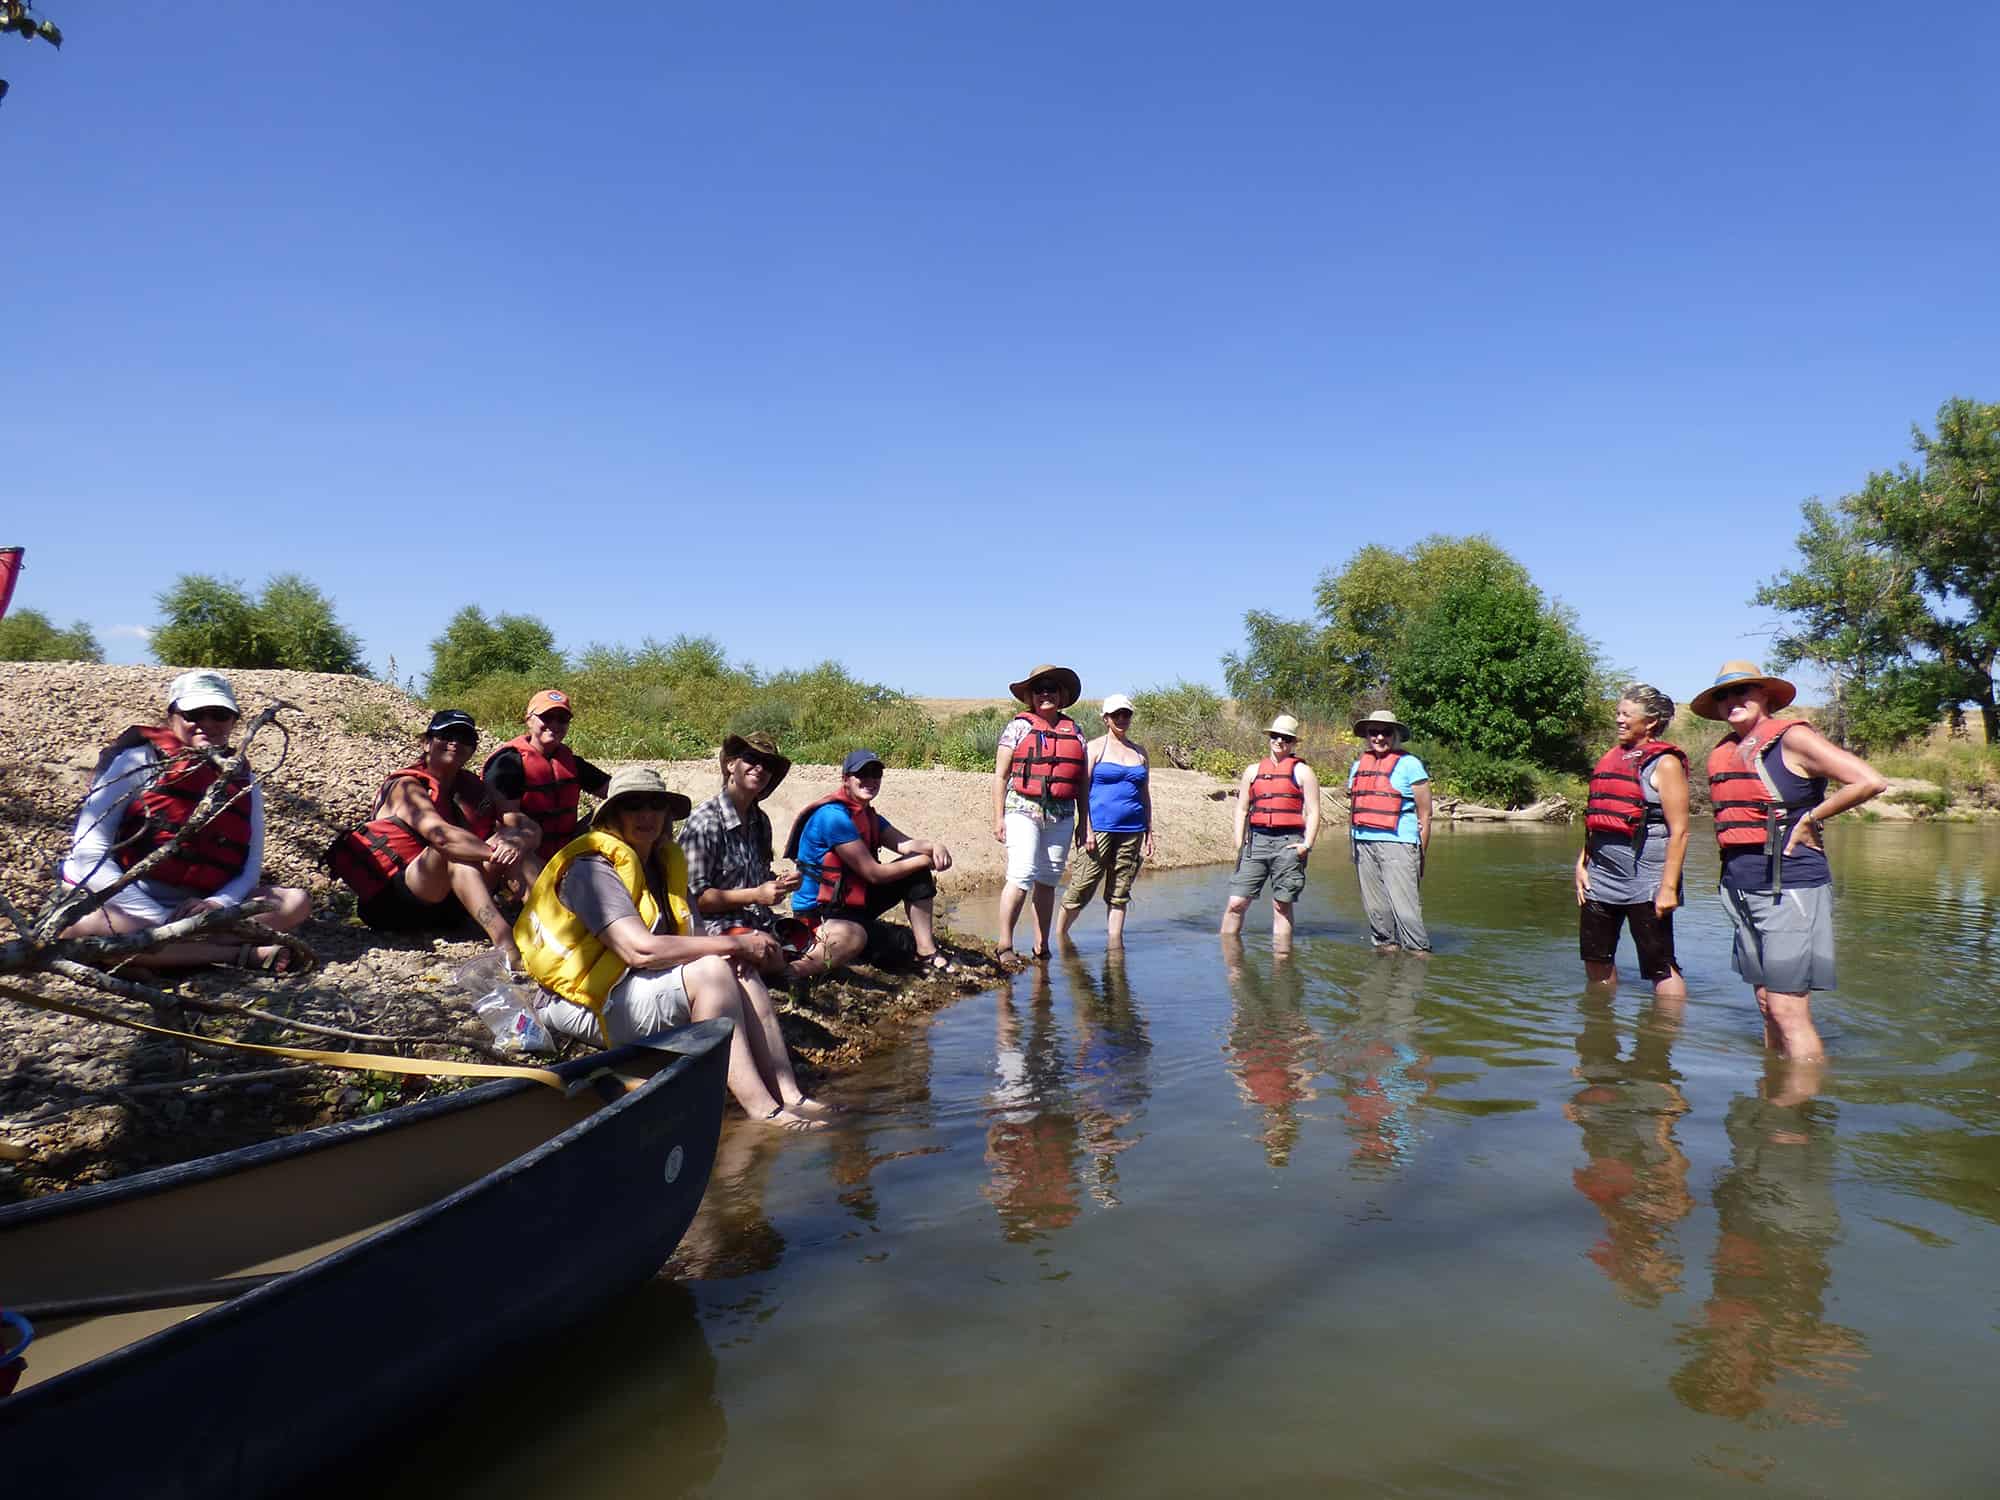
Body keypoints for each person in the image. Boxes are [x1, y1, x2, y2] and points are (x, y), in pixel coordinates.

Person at [516, 767, 830, 1130]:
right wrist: (737, 943)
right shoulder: (592, 870)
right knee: (714, 970)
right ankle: (762, 1110)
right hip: (580, 1003)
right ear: (613, 816)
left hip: (632, 988)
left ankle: (790, 1094)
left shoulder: (664, 863)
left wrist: (738, 953)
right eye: (633, 805)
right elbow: (640, 951)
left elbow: (693, 937)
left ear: (667, 814)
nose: (646, 814)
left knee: (735, 968)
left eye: (655, 805)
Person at [1692, 661, 1886, 1059]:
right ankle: (1774, 1095)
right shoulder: (1728, 748)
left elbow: (1869, 780)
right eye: (1724, 694)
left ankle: (1798, 1114)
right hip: (1742, 887)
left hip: (1791, 886)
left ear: (1765, 695)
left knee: (1787, 1008)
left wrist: (1812, 818)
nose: (1733, 700)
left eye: (1743, 690)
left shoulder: (1792, 739)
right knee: (1766, 1003)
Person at [59, 670, 311, 972]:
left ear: (233, 721)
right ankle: (232, 954)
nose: (207, 723)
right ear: (172, 716)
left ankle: (159, 955)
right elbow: (88, 853)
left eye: (219, 714)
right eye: (193, 714)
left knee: (296, 902)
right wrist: (161, 920)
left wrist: (218, 905)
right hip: (127, 903)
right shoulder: (137, 762)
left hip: (202, 909)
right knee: (87, 928)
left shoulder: (244, 780)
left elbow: (250, 868)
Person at [325, 709, 528, 966]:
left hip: (450, 908)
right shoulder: (407, 786)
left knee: (519, 849)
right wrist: (497, 852)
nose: (455, 742)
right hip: (394, 904)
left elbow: (524, 824)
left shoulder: (473, 787)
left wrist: (517, 842)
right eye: (447, 735)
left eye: (465, 738)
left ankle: (549, 926)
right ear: (427, 742)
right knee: (454, 851)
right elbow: (442, 837)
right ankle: (506, 943)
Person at [786, 749, 955, 977]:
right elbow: (874, 874)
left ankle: (926, 951)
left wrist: (935, 846)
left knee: (916, 873)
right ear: (846, 779)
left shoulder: (867, 815)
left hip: (850, 899)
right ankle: (804, 965)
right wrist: (925, 860)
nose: (870, 780)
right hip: (821, 910)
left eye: (876, 774)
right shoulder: (833, 817)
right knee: (901, 947)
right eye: (862, 774)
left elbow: (906, 844)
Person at [1575, 684, 1691, 999]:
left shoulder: (1665, 763)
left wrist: (1668, 887)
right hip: (1601, 875)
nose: (1619, 720)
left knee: (1660, 967)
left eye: (1627, 714)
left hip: (1647, 879)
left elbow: (1679, 831)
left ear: (1650, 721)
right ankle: (1600, 1030)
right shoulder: (1611, 758)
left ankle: (1665, 1036)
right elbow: (1597, 818)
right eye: (1618, 713)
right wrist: (1582, 864)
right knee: (1595, 960)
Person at [680, 731, 816, 976]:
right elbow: (693, 899)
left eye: (768, 764)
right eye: (752, 758)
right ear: (731, 764)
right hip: (714, 927)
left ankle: (786, 970)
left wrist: (782, 883)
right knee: (768, 949)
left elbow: (760, 876)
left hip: (757, 921)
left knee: (827, 938)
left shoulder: (760, 821)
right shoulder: (706, 821)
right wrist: (755, 894)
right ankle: (785, 974)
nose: (760, 768)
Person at [992, 664, 1089, 964]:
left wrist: (1084, 825)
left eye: (1051, 688)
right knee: (1022, 874)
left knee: (1048, 880)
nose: (1045, 693)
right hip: (1022, 809)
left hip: (1061, 815)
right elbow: (1000, 776)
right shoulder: (1018, 727)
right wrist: (998, 818)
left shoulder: (1075, 731)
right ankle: (1005, 944)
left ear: (1061, 695)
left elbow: (1082, 783)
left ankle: (1041, 946)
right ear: (1031, 697)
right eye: (1039, 689)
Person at [481, 688, 611, 888]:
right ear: (529, 720)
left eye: (562, 719)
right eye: (547, 717)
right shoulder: (507, 762)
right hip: (522, 851)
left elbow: (617, 790)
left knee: (622, 809)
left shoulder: (571, 762)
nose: (554, 724)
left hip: (566, 848)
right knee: (519, 838)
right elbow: (510, 819)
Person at [1056, 693, 1155, 948]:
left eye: (1126, 714)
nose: (1122, 719)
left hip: (1133, 829)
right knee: (1082, 885)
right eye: (1116, 715)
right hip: (1099, 829)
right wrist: (1085, 828)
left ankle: (1115, 948)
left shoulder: (1140, 753)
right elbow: (1082, 790)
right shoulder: (1094, 748)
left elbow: (1144, 794)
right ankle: (1059, 939)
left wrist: (1149, 831)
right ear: (1106, 718)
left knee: (1120, 891)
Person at [1221, 714, 1322, 947]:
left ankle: (1282, 968)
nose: (1279, 741)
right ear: (1269, 738)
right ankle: (1231, 963)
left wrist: (1306, 845)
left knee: (1281, 905)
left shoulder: (1304, 772)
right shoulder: (1252, 771)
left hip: (1289, 843)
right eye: (1275, 736)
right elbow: (1242, 809)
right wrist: (1240, 843)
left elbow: (1314, 811)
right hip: (1256, 842)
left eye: (1285, 738)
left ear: (1293, 742)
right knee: (1236, 903)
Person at [1345, 709, 1431, 954]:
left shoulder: (1410, 765)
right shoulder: (1358, 765)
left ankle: (1417, 967)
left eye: (1385, 732)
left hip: (1400, 845)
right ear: (1367, 735)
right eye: (1374, 732)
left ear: (1395, 735)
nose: (1379, 738)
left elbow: (1425, 814)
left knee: (1407, 915)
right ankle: (1384, 974)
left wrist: (1420, 855)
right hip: (1363, 844)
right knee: (1378, 916)